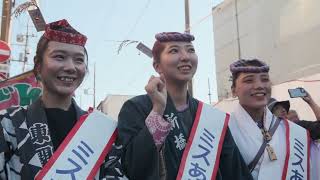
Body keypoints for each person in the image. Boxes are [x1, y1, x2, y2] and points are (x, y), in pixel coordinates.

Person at [116, 32, 252, 180]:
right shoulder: (136, 108)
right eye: (174, 50)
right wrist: (157, 111)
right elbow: (133, 167)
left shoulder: (211, 117)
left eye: (190, 50)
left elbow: (235, 172)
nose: (185, 56)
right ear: (157, 66)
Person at [0, 19, 105, 179]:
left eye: (79, 60)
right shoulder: (8, 123)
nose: (71, 67)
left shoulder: (99, 130)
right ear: (38, 65)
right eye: (59, 57)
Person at [228, 59, 320, 180]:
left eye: (265, 79)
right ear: (234, 90)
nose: (259, 86)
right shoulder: (224, 129)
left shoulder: (293, 130)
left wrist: (310, 101)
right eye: (249, 80)